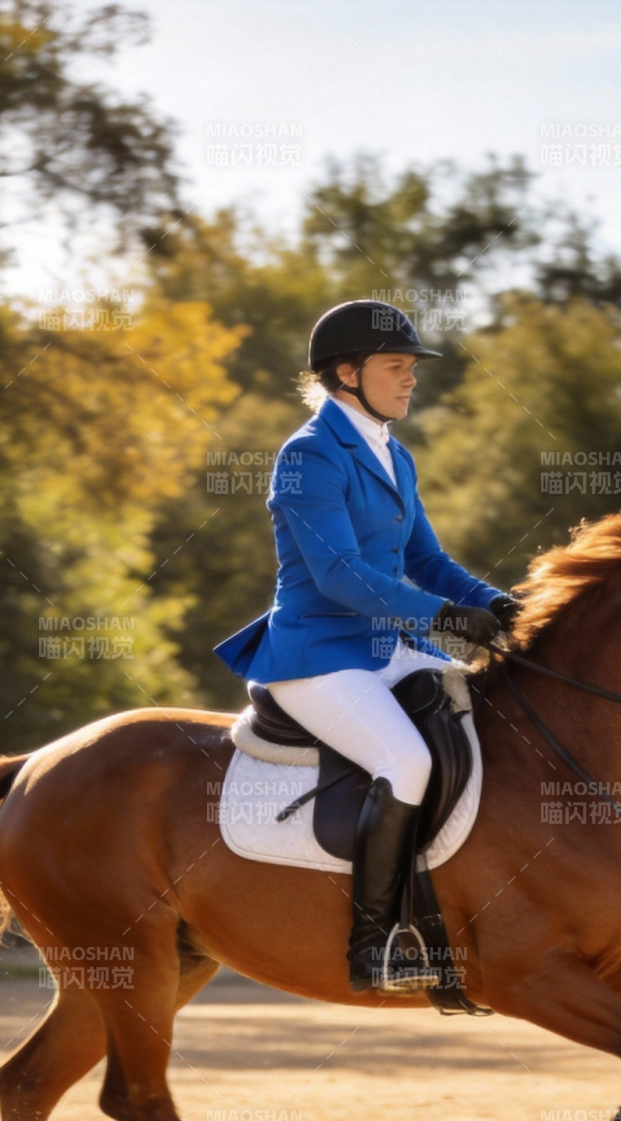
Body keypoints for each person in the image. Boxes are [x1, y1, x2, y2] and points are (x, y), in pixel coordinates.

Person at [214, 300, 520, 992]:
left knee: (494, 721)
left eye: (412, 367)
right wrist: (446, 616)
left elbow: (428, 560)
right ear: (346, 373)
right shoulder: (308, 456)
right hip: (320, 655)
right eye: (396, 367)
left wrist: (491, 603)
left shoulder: (394, 454)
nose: (410, 379)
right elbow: (339, 575)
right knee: (405, 759)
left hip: (391, 647)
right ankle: (376, 945)